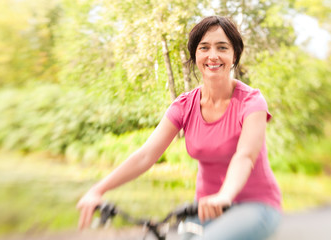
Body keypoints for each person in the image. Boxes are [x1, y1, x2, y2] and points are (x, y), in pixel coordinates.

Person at [77, 16, 282, 240]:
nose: (213, 55)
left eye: (222, 47)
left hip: (255, 206)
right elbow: (146, 155)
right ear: (195, 55)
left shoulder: (251, 102)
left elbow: (245, 156)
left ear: (234, 55)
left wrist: (224, 196)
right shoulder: (185, 105)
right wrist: (98, 189)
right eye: (204, 48)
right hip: (203, 209)